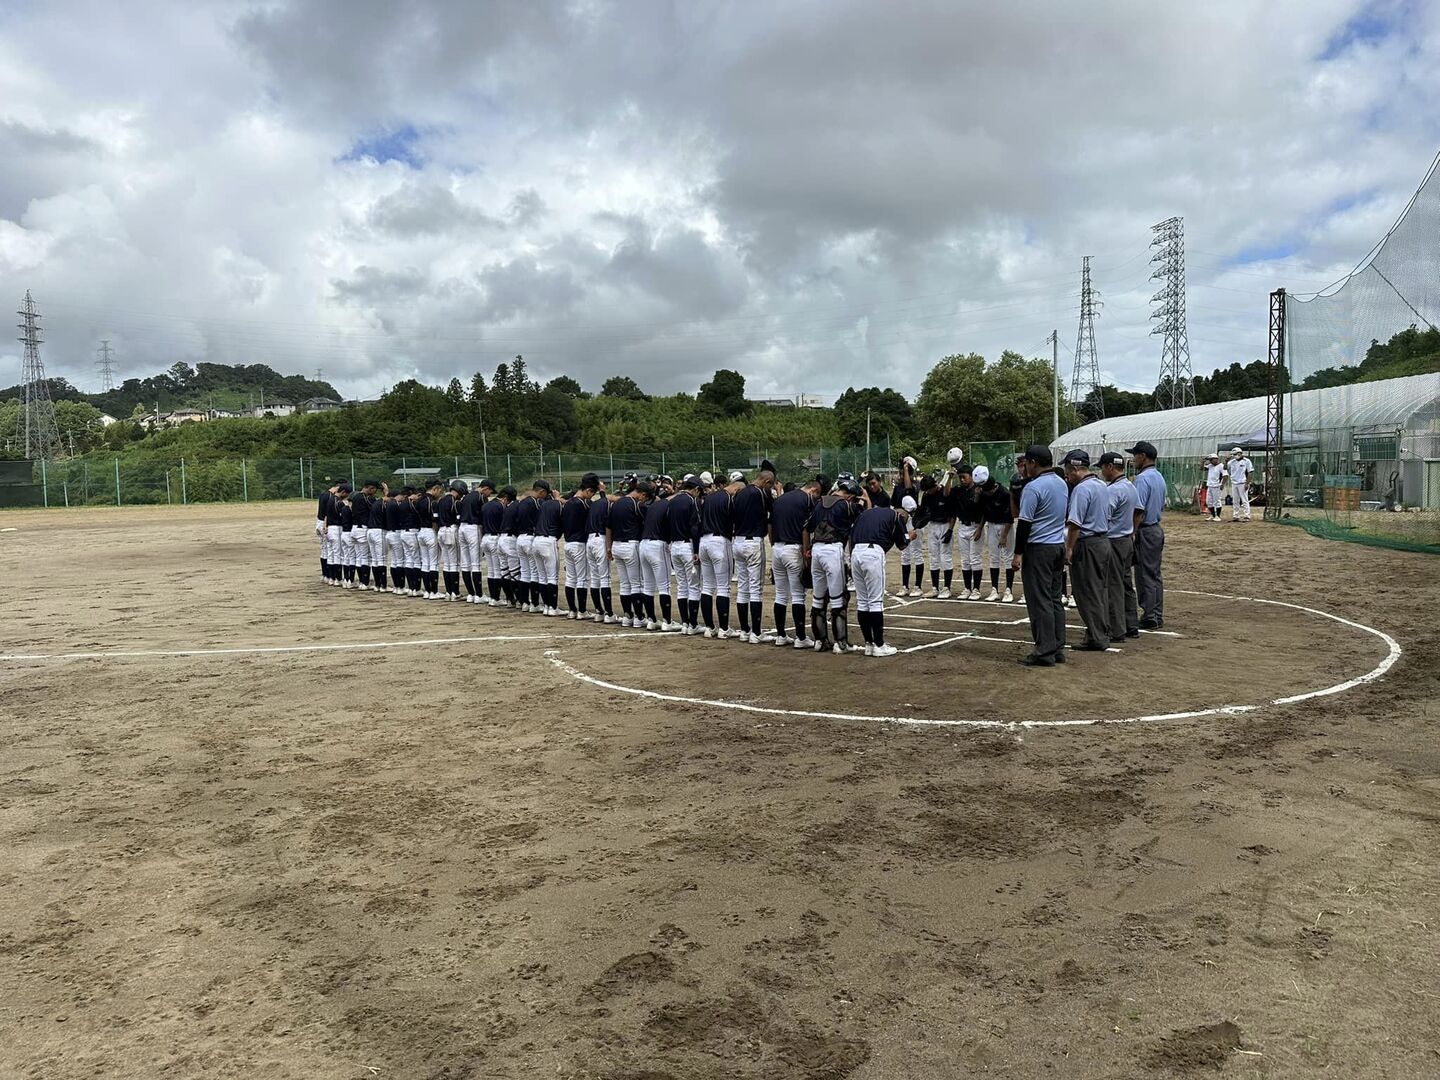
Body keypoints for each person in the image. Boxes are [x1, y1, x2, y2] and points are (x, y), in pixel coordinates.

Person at [1012, 445, 1068, 667]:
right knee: (1054, 599)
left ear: (1033, 463)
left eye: (1027, 463)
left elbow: (1025, 523)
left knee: (1039, 600)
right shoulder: (1061, 483)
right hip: (1057, 545)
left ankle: (1044, 650)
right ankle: (1057, 647)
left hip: (1039, 548)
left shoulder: (1033, 487)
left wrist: (1018, 553)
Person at [850, 496, 915, 657]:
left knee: (863, 601)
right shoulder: (896, 516)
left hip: (855, 552)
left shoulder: (868, 513)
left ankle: (869, 644)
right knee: (875, 602)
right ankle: (879, 645)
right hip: (873, 554)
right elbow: (902, 544)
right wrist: (910, 536)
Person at [1062, 450, 1113, 652]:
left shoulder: (1081, 489)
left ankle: (1096, 636)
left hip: (1087, 543)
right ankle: (1099, 632)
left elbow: (1075, 523)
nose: (1067, 474)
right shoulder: (1101, 485)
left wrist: (1069, 548)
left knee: (1085, 591)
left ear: (1075, 468)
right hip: (1102, 541)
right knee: (1099, 589)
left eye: (1068, 470)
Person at [809, 476, 863, 653]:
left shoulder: (819, 503)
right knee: (838, 599)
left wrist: (806, 551)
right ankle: (841, 644)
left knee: (818, 599)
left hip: (816, 550)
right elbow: (865, 516)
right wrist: (865, 500)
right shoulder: (846, 505)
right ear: (850, 495)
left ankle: (820, 641)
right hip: (833, 550)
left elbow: (807, 527)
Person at [770, 475, 820, 648]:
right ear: (813, 489)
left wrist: (773, 545)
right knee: (798, 595)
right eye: (817, 495)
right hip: (793, 549)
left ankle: (781, 635)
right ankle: (800, 637)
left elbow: (770, 526)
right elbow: (806, 530)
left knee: (780, 594)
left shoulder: (780, 499)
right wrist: (806, 554)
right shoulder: (806, 500)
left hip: (777, 548)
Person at [1099, 451, 1140, 642]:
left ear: (1110, 467)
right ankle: (1131, 624)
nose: (1101, 472)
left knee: (1113, 586)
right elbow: (1139, 511)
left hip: (1114, 540)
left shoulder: (1112, 490)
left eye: (1102, 467)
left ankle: (1116, 629)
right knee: (1126, 584)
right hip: (1126, 539)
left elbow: (1104, 517)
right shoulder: (1130, 486)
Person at [732, 469, 776, 643]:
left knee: (743, 588)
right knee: (755, 589)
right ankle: (756, 633)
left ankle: (745, 630)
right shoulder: (760, 493)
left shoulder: (740, 492)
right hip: (753, 542)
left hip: (738, 541)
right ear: (766, 482)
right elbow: (772, 510)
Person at [1128, 440, 1166, 629]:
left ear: (1143, 456)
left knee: (1145, 574)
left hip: (1145, 529)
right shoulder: (1158, 476)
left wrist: (1132, 532)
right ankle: (1156, 614)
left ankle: (1150, 615)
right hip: (1156, 529)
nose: (1133, 459)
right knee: (1154, 573)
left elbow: (1138, 510)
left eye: (1135, 455)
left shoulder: (1142, 478)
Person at [697, 474, 739, 638]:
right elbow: (732, 519)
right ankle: (723, 628)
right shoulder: (728, 497)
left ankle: (709, 628)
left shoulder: (708, 498)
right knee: (723, 587)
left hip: (704, 541)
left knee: (707, 586)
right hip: (719, 541)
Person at [638, 476, 677, 630]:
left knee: (648, 586)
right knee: (664, 586)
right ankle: (667, 622)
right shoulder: (665, 504)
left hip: (643, 545)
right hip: (657, 545)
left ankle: (651, 620)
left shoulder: (652, 506)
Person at [606, 478, 646, 627]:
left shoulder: (616, 504)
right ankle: (639, 617)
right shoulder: (635, 504)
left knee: (624, 584)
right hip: (631, 545)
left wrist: (609, 547)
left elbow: (608, 527)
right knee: (636, 584)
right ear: (641, 493)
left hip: (616, 545)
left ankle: (627, 616)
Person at [973, 465, 1016, 602]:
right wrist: (980, 528)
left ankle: (1008, 590)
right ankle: (994, 589)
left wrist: (1004, 535)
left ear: (993, 487)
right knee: (993, 557)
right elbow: (983, 512)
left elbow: (1010, 516)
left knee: (1008, 557)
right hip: (991, 526)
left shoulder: (1005, 493)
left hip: (1005, 526)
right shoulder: (984, 494)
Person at [668, 476, 703, 634]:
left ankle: (685, 623)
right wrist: (696, 550)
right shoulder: (692, 501)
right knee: (693, 586)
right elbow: (695, 526)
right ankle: (693, 625)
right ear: (695, 489)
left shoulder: (673, 500)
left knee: (682, 586)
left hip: (674, 546)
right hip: (688, 546)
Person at [561, 475, 598, 619]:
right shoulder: (583, 504)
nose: (591, 497)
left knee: (570, 578)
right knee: (582, 579)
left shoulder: (568, 503)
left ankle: (572, 610)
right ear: (588, 490)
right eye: (591, 494)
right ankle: (582, 611)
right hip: (579, 544)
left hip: (568, 543)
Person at [945, 463, 982, 598]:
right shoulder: (958, 490)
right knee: (965, 560)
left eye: (964, 477)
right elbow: (946, 494)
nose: (962, 480)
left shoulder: (978, 490)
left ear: (971, 476)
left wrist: (980, 528)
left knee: (975, 558)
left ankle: (976, 589)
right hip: (962, 526)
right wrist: (950, 478)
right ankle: (967, 588)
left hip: (975, 526)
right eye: (960, 477)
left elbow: (982, 511)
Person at [529, 480, 562, 616]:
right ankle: (553, 608)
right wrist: (558, 498)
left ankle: (547, 607)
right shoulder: (557, 504)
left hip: (536, 540)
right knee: (552, 577)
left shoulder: (541, 505)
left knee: (542, 577)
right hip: (548, 541)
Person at [585, 480, 616, 623]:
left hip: (590, 541)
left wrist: (602, 491)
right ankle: (609, 614)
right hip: (600, 540)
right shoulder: (606, 503)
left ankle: (599, 612)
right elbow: (606, 505)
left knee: (595, 578)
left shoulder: (594, 504)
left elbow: (603, 501)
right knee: (604, 578)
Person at [918, 474, 953, 598]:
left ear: (934, 486)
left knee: (945, 556)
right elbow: (923, 512)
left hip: (945, 525)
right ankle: (935, 588)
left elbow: (952, 514)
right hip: (932, 526)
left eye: (929, 489)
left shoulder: (945, 493)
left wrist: (950, 530)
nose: (928, 492)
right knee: (933, 557)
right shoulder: (926, 496)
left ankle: (947, 588)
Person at [892, 456, 923, 595]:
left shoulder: (915, 484)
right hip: (902, 522)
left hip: (914, 521)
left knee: (917, 553)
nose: (901, 476)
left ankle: (918, 586)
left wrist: (906, 469)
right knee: (905, 553)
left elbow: (909, 488)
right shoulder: (897, 487)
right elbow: (894, 503)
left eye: (904, 473)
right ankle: (905, 585)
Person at [458, 478, 487, 601]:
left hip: (462, 528)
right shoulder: (481, 497)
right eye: (489, 491)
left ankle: (471, 594)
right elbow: (484, 514)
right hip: (473, 528)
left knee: (465, 563)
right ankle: (479, 595)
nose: (489, 494)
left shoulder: (466, 496)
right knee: (476, 563)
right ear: (485, 488)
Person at [436, 480, 466, 601]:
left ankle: (448, 592)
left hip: (441, 531)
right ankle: (455, 592)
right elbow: (458, 519)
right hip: (451, 530)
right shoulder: (455, 501)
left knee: (447, 563)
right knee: (454, 563)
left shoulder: (441, 500)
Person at [479, 482, 508, 606]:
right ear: (505, 498)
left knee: (491, 570)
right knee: (497, 570)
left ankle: (492, 598)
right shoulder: (500, 506)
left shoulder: (486, 505)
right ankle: (496, 598)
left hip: (485, 538)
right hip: (494, 538)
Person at [498, 485, 524, 607]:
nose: (502, 499)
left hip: (501, 540)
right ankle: (519, 601)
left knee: (504, 572)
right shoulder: (517, 506)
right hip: (510, 540)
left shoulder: (508, 507)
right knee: (515, 573)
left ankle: (510, 600)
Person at [366, 479, 390, 594]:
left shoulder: (375, 502)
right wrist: (386, 491)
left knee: (375, 559)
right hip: (379, 531)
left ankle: (377, 585)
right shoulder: (383, 503)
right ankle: (383, 586)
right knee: (381, 559)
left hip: (370, 531)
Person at [316, 482, 339, 580]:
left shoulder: (323, 494)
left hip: (319, 521)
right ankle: (329, 575)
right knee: (329, 551)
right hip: (325, 523)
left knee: (324, 550)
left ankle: (325, 575)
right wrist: (326, 526)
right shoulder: (331, 497)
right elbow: (327, 513)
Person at [1227, 446, 1254, 521]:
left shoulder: (1246, 461)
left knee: (1244, 500)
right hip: (1234, 483)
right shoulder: (1231, 462)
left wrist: (1247, 483)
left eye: (1236, 454)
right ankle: (1236, 516)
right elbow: (1225, 468)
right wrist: (1226, 461)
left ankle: (1247, 516)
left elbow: (1250, 472)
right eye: (1234, 454)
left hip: (1242, 483)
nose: (1235, 456)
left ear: (1240, 453)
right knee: (1235, 500)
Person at [1204, 453, 1226, 521]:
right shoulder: (1210, 466)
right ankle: (1213, 515)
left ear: (1216, 459)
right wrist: (1202, 461)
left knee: (1217, 501)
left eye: (1211, 459)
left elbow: (1225, 476)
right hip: (1210, 485)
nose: (1210, 461)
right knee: (1208, 502)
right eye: (1210, 460)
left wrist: (1222, 484)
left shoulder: (1221, 466)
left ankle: (1218, 516)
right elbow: (1202, 468)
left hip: (1217, 486)